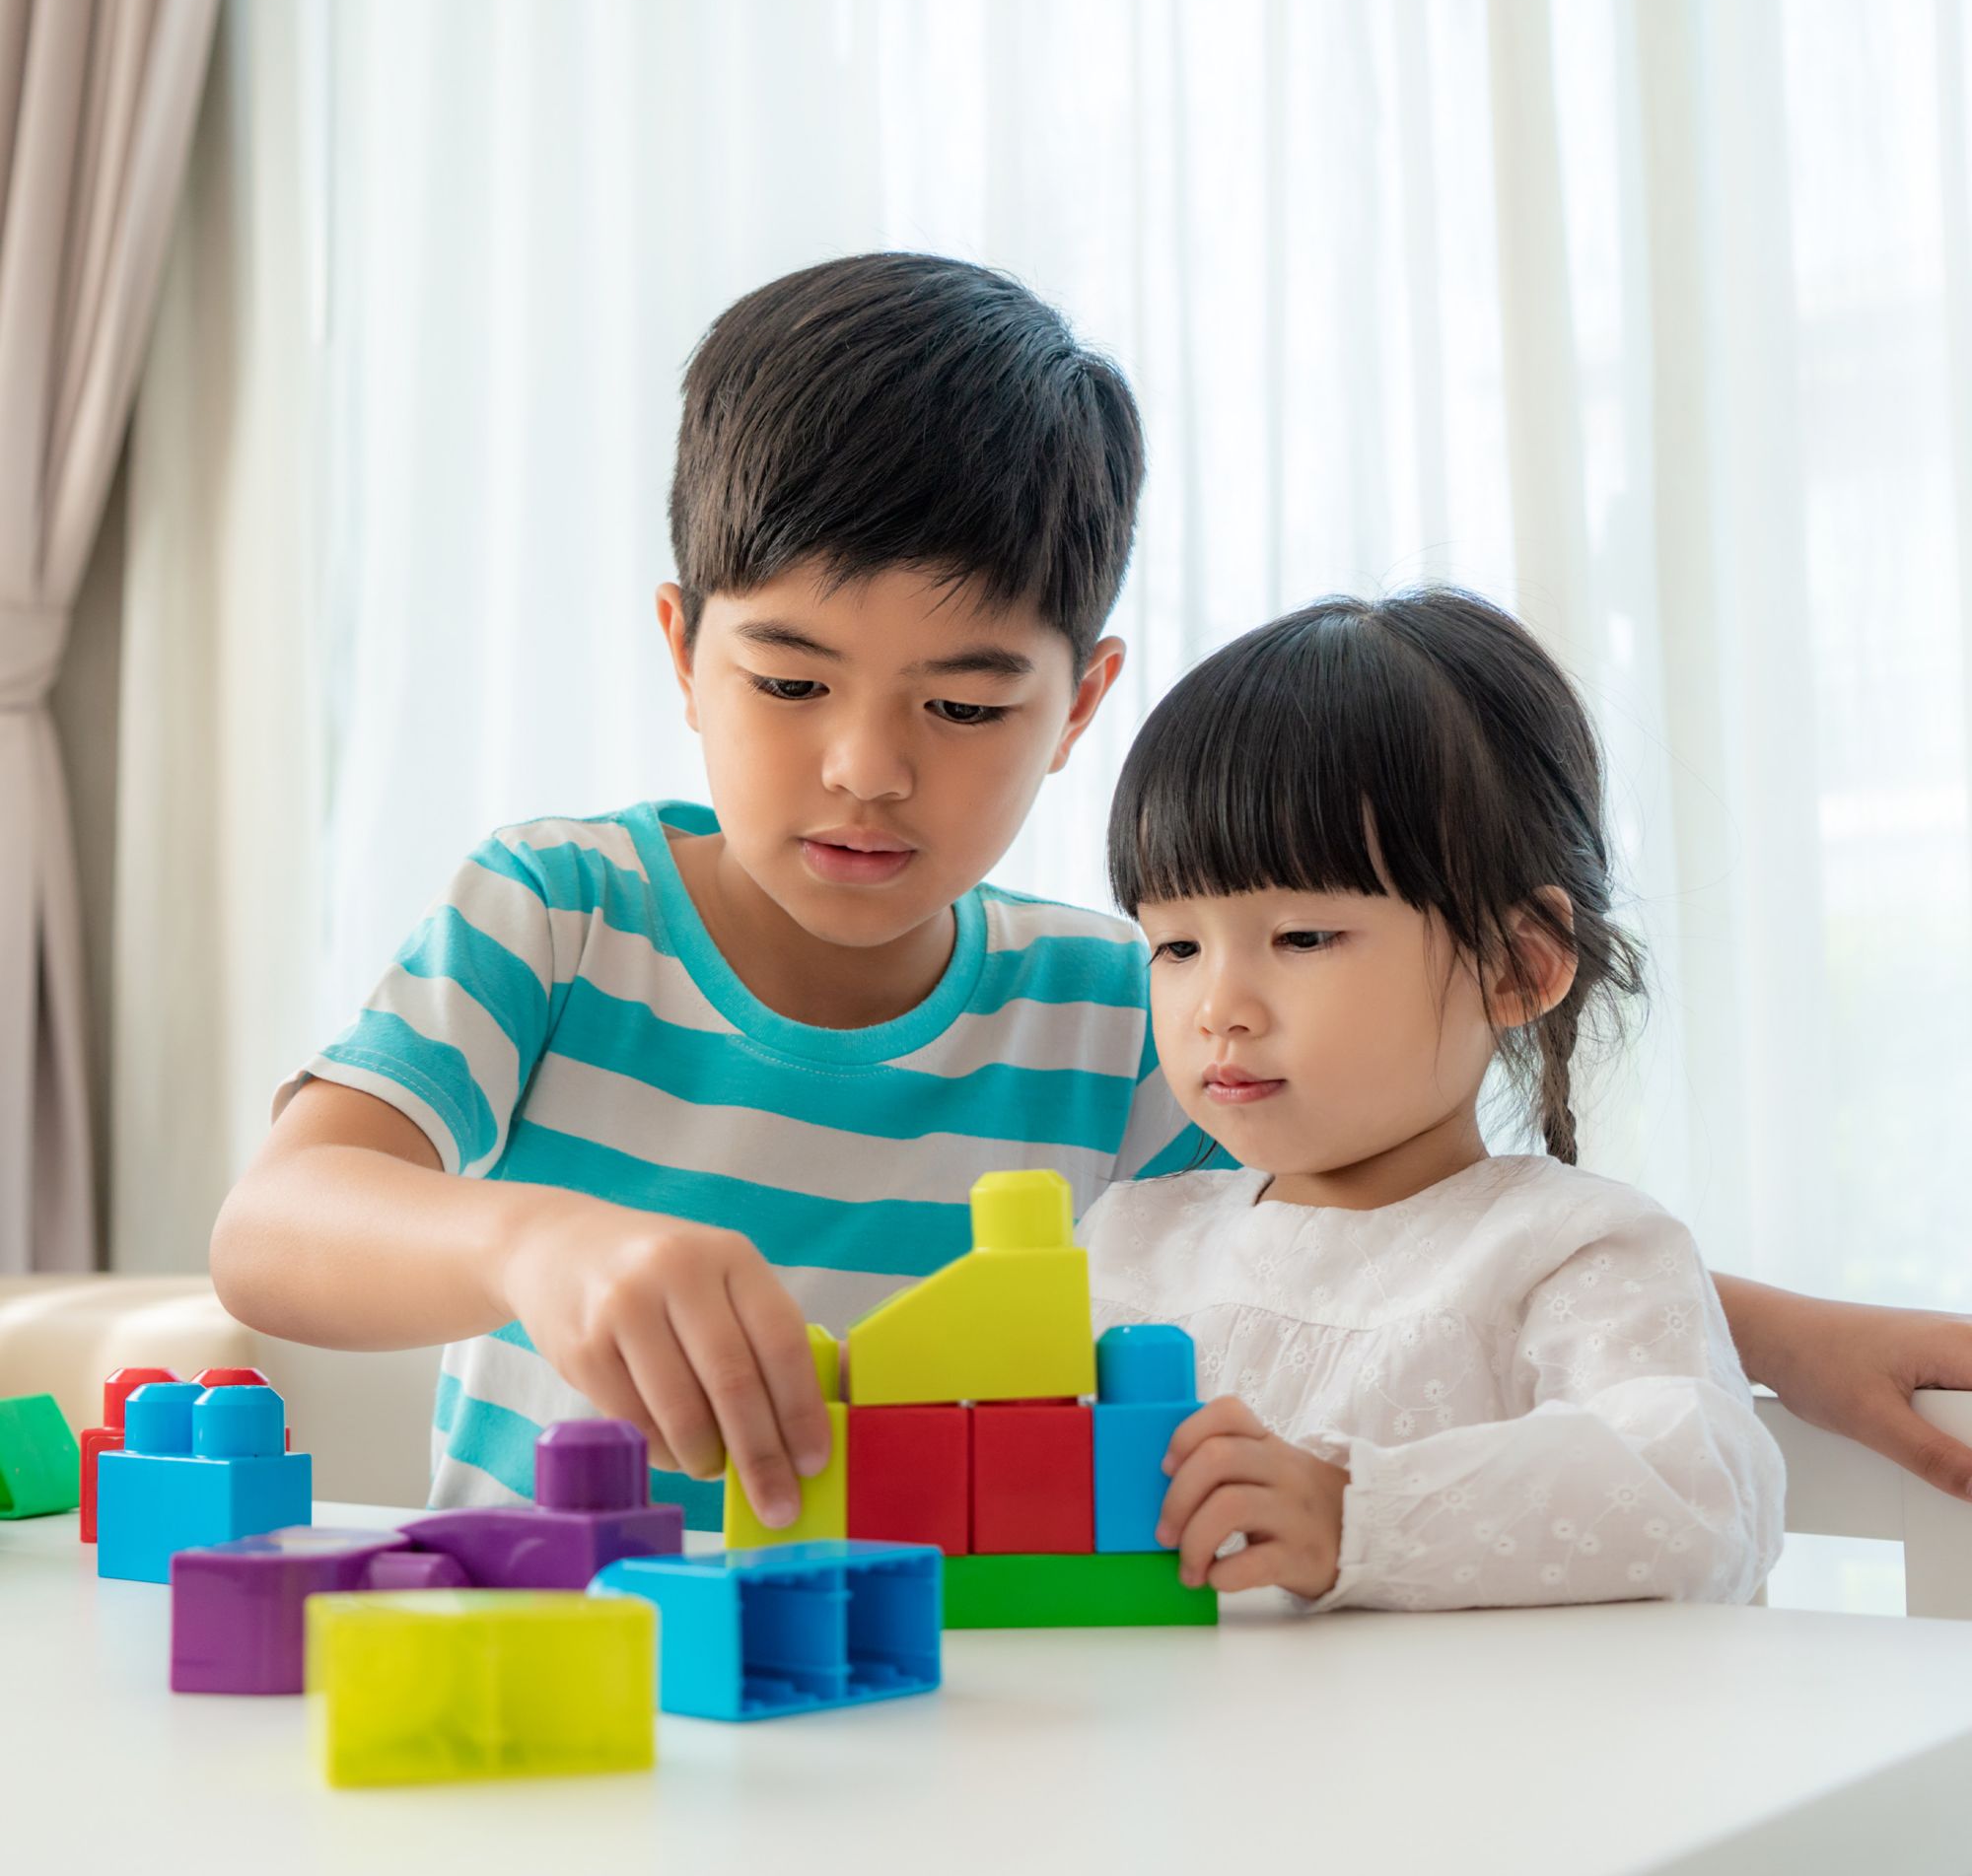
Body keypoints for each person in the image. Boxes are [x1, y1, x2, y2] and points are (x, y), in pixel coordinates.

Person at [210, 252, 1972, 1533]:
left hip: (963, 1727)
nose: (867, 767)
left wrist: (1785, 1339)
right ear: (681, 650)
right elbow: (276, 1233)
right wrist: (534, 1237)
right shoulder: (560, 911)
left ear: (1085, 703)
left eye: (966, 703)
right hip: (559, 1695)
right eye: (790, 680)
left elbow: (1402, 1248)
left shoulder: (1111, 1008)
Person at [1083, 589, 1785, 1608]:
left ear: (1516, 965)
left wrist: (1354, 1513)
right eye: (1176, 946)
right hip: (1190, 1761)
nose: (1215, 1007)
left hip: (1483, 1764)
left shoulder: (1566, 1249)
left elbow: (1701, 1491)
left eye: (1301, 938)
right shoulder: (1127, 1243)